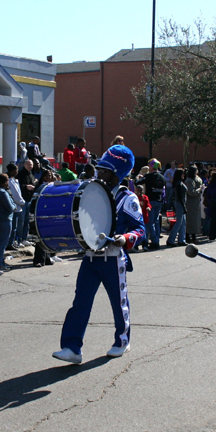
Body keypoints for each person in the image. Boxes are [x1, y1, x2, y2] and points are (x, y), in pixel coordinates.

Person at [52, 145, 145, 364]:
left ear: (117, 174)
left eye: (104, 170)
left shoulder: (127, 198)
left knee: (118, 302)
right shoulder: (91, 193)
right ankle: (72, 348)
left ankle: (122, 340)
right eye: (99, 169)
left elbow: (140, 229)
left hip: (113, 259)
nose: (98, 173)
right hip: (90, 257)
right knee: (80, 302)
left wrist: (125, 238)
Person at [0, 173, 15, 271]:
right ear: (5, 181)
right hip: (5, 220)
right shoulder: (3, 192)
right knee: (2, 242)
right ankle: (0, 263)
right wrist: (15, 206)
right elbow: (10, 207)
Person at [141, 159, 164, 249]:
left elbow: (139, 182)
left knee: (150, 222)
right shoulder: (161, 177)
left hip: (150, 200)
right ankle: (157, 239)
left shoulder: (148, 176)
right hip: (159, 200)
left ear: (151, 166)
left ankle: (154, 241)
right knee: (156, 221)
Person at [6, 163, 26, 249]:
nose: (17, 172)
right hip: (16, 207)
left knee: (16, 226)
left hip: (18, 207)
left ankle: (13, 241)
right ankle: (10, 243)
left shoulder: (14, 180)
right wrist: (22, 202)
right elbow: (15, 195)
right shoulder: (10, 181)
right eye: (16, 170)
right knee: (13, 227)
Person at [166, 169, 187, 247]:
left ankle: (182, 239)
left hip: (180, 203)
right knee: (179, 222)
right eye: (182, 174)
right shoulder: (178, 184)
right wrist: (184, 207)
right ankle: (171, 240)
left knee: (183, 223)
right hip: (180, 204)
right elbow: (180, 197)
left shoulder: (178, 183)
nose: (183, 175)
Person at [185, 166, 203, 244]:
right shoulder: (189, 181)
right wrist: (200, 189)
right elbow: (191, 192)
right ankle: (190, 237)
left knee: (195, 220)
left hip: (196, 202)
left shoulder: (196, 178)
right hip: (191, 203)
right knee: (191, 220)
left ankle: (192, 236)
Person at [133, 185, 151, 251]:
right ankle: (136, 246)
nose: (139, 192)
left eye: (141, 190)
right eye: (138, 190)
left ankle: (145, 246)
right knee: (137, 232)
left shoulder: (145, 197)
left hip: (145, 218)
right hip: (137, 218)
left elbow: (148, 204)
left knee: (145, 233)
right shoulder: (133, 197)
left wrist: (148, 207)